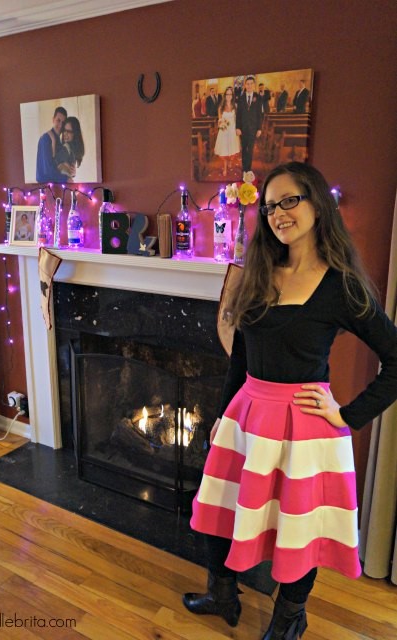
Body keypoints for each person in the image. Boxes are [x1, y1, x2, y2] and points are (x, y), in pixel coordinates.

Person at [182, 161, 397, 639]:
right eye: (270, 205)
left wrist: (346, 415)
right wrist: (223, 414)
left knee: (296, 529)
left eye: (289, 200)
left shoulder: (342, 285)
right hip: (247, 415)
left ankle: (289, 620)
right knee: (221, 507)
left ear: (317, 204)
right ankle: (222, 595)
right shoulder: (261, 272)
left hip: (304, 429)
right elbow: (241, 354)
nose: (278, 213)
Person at [36, 107, 74, 183]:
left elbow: (60, 165)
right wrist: (66, 179)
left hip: (58, 185)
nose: (60, 125)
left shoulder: (61, 142)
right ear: (53, 119)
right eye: (58, 120)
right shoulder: (46, 138)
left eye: (63, 123)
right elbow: (47, 170)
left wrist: (72, 170)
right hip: (46, 187)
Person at [236, 75, 264, 175]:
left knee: (250, 149)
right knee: (244, 148)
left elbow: (260, 114)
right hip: (243, 128)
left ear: (254, 85)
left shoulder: (258, 98)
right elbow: (238, 114)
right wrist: (238, 127)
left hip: (253, 128)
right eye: (247, 84)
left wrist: (259, 128)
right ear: (245, 85)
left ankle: (249, 168)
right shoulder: (241, 98)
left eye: (251, 84)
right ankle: (244, 168)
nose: (249, 85)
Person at [213, 86, 240, 176]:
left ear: (232, 95)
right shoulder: (220, 107)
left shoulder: (235, 106)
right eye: (227, 94)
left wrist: (237, 129)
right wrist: (222, 123)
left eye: (230, 94)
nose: (229, 96)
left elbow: (237, 119)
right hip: (224, 131)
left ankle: (230, 162)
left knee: (232, 150)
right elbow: (219, 120)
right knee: (224, 150)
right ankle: (224, 167)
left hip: (232, 131)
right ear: (225, 95)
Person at [55, 116, 85, 181]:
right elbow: (56, 165)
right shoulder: (66, 147)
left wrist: (72, 173)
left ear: (75, 133)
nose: (65, 134)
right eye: (64, 130)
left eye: (68, 131)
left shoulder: (70, 149)